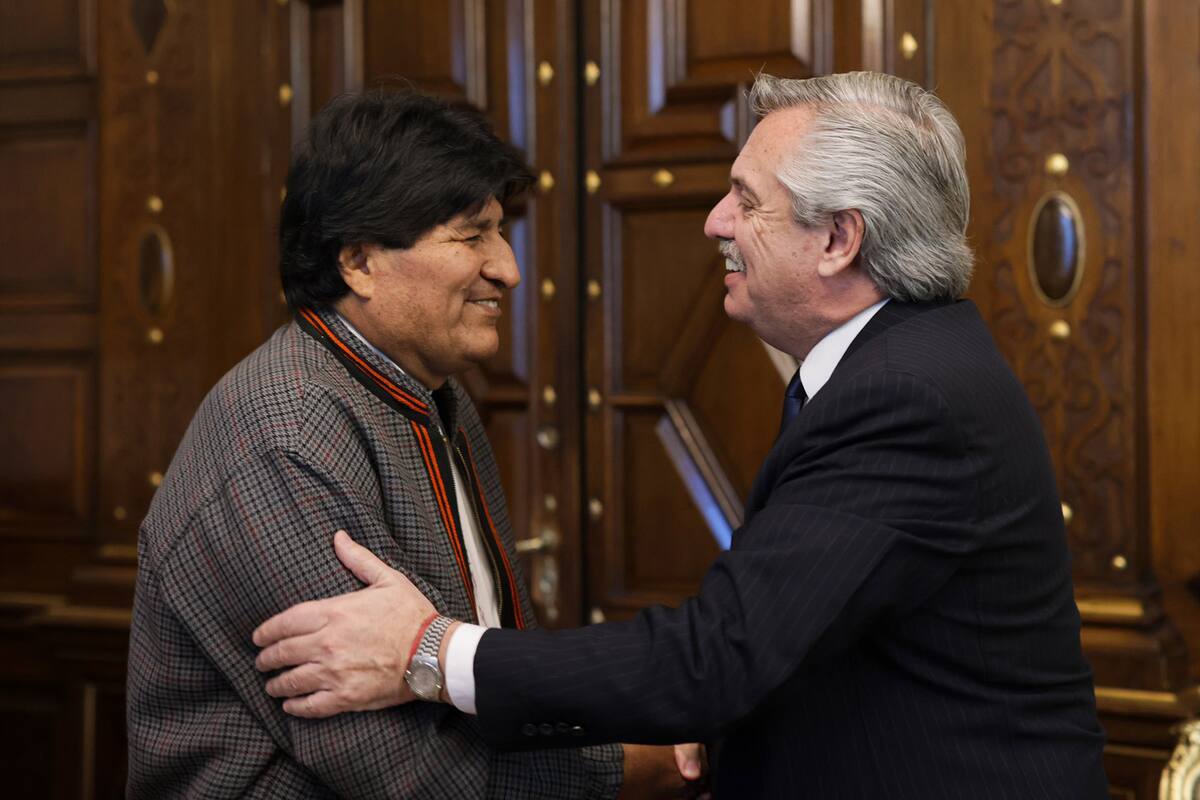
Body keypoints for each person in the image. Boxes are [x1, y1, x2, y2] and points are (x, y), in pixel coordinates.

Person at [253, 72, 1110, 798]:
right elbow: (797, 628)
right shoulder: (898, 367)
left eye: (747, 200)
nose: (714, 223)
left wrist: (427, 652)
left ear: (839, 239)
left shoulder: (906, 395)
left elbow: (722, 652)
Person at [126, 90, 691, 798]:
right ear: (359, 262)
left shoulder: (432, 393)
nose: (508, 269)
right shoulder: (289, 436)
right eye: (471, 235)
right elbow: (405, 773)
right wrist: (644, 769)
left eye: (501, 230)